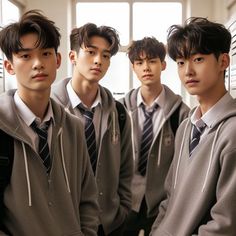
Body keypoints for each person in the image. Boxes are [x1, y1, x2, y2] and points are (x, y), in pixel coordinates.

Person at [0, 10, 99, 236]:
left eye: (45, 53)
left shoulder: (73, 127)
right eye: (25, 56)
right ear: (9, 66)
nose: (37, 64)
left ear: (57, 60)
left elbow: (88, 200)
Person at [150, 17, 236, 235]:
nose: (187, 71)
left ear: (223, 62)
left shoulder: (232, 132)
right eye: (180, 62)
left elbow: (225, 224)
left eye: (198, 59)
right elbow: (170, 198)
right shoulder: (186, 126)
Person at [51, 23, 133, 236]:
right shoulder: (48, 108)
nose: (99, 61)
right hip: (62, 225)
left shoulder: (119, 112)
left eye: (106, 56)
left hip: (109, 225)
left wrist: (121, 211)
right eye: (90, 52)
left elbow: (125, 170)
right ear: (72, 57)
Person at [119, 37, 189, 236]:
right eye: (139, 63)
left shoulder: (181, 113)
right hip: (126, 201)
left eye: (152, 61)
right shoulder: (120, 109)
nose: (146, 68)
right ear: (133, 67)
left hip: (161, 204)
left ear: (163, 64)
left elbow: (182, 166)